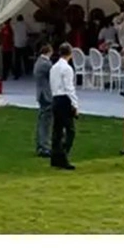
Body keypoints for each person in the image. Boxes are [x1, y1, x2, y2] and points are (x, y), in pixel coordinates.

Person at [49, 42, 78, 170]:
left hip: (55, 98)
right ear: (70, 54)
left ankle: (55, 157)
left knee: (57, 130)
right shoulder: (67, 69)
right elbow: (69, 88)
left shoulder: (53, 67)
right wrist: (75, 104)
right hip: (64, 98)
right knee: (70, 130)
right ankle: (63, 155)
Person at [33, 45, 54, 157]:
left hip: (41, 94)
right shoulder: (45, 64)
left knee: (42, 121)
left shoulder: (38, 62)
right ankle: (44, 146)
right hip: (46, 95)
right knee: (45, 123)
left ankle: (41, 145)